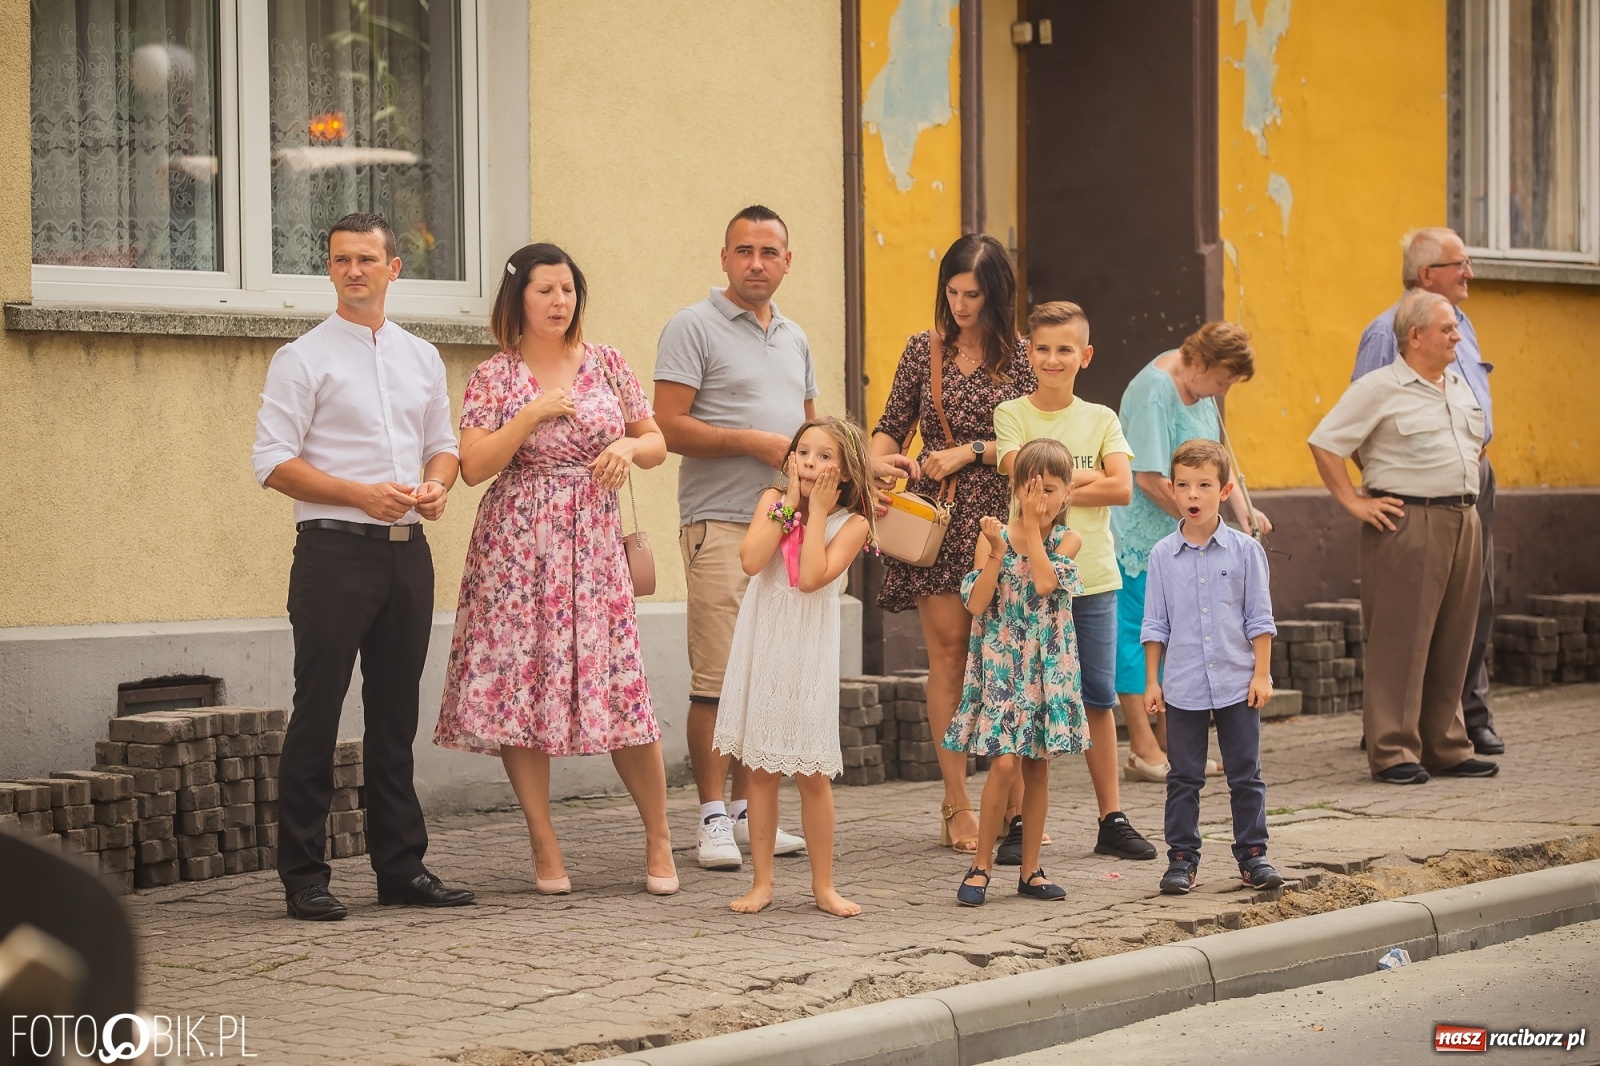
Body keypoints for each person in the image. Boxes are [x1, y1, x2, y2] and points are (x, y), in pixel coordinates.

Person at [433, 243, 678, 896]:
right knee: (522, 689)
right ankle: (544, 842)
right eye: (545, 290)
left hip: (594, 549)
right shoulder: (494, 376)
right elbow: (476, 466)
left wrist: (628, 444)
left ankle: (659, 837)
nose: (559, 301)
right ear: (519, 299)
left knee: (625, 687)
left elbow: (656, 441)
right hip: (517, 552)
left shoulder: (607, 362)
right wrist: (531, 413)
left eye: (567, 289)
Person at [252, 212, 475, 921]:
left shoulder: (421, 356)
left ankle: (401, 869)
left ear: (393, 268)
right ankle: (304, 877)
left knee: (394, 716)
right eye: (342, 260)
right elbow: (273, 464)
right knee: (317, 713)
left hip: (408, 559)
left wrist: (437, 484)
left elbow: (443, 445)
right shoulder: (302, 358)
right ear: (330, 269)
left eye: (366, 259)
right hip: (333, 553)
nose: (354, 270)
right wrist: (359, 494)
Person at [655, 206, 821, 870]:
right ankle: (712, 816)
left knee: (767, 677)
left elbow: (810, 433)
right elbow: (668, 427)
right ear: (724, 257)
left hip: (786, 527)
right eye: (744, 250)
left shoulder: (795, 337)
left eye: (769, 251)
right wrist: (752, 442)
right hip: (720, 524)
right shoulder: (691, 327)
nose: (757, 262)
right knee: (717, 682)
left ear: (787, 261)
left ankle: (756, 810)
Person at [868, 233, 1035, 856]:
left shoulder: (1022, 358)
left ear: (998, 296)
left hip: (1001, 520)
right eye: (953, 292)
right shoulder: (925, 350)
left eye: (974, 294)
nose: (961, 305)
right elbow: (891, 425)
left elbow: (1037, 438)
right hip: (936, 523)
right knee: (951, 655)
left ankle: (1010, 789)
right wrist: (882, 465)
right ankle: (956, 802)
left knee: (1003, 655)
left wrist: (973, 451)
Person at [1309, 290, 1499, 784]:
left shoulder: (1457, 385)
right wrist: (1355, 500)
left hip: (1464, 519)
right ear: (1415, 336)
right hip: (1408, 522)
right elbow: (1327, 443)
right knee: (1401, 641)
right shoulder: (1379, 387)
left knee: (1455, 637)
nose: (1458, 335)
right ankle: (1394, 750)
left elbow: (1473, 447)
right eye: (1447, 328)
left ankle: (1446, 745)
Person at [992, 301, 1156, 864]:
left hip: (1092, 581)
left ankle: (1111, 817)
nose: (1053, 358)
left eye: (1065, 349)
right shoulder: (1011, 413)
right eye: (1042, 348)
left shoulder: (1102, 418)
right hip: (1025, 587)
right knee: (1023, 700)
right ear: (1028, 354)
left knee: (1098, 699)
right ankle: (1016, 824)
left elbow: (1123, 489)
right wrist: (1079, 478)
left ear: (1085, 356)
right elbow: (1020, 477)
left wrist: (1052, 485)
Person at [713, 416, 877, 917]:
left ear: (846, 472)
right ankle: (763, 882)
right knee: (760, 770)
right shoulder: (772, 502)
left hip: (808, 654)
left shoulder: (853, 524)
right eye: (804, 452)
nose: (810, 463)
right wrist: (790, 505)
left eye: (825, 456)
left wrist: (820, 511)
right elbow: (750, 560)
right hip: (765, 645)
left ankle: (823, 885)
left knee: (812, 775)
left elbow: (810, 578)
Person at [1353, 227, 1502, 756]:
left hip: (1468, 483)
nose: (1470, 272)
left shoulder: (1462, 325)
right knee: (1407, 619)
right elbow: (1359, 426)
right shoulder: (1383, 334)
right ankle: (1394, 732)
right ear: (1425, 275)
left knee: (1471, 607)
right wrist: (1373, 492)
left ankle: (1462, 721)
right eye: (1458, 263)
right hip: (1413, 500)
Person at [1111, 322, 1268, 783]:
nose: (1223, 390)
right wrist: (1200, 521)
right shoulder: (1154, 390)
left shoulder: (1200, 389)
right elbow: (1148, 478)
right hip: (1142, 541)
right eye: (1223, 380)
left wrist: (1245, 516)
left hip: (1187, 539)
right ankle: (1142, 749)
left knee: (1180, 637)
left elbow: (1219, 468)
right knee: (1140, 639)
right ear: (1198, 363)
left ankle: (1175, 748)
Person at [944, 439, 1087, 906]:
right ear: (1014, 487)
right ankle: (980, 865)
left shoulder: (1067, 540)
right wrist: (995, 551)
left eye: (1049, 489)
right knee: (1004, 763)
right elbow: (976, 603)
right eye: (1030, 489)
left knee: (1038, 768)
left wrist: (1027, 527)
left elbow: (1045, 583)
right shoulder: (992, 536)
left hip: (1047, 670)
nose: (1039, 498)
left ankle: (1031, 871)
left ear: (1067, 495)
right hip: (1005, 669)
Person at [1141, 439, 1283, 895]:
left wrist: (1261, 673)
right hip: (1182, 684)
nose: (1193, 495)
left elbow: (1260, 617)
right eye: (1184, 485)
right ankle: (1181, 859)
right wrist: (1152, 681)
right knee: (1184, 776)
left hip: (1239, 683)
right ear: (1172, 489)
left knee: (1246, 772)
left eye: (1204, 485)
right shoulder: (1162, 554)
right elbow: (1155, 624)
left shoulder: (1245, 551)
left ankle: (1253, 856)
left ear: (1223, 491)